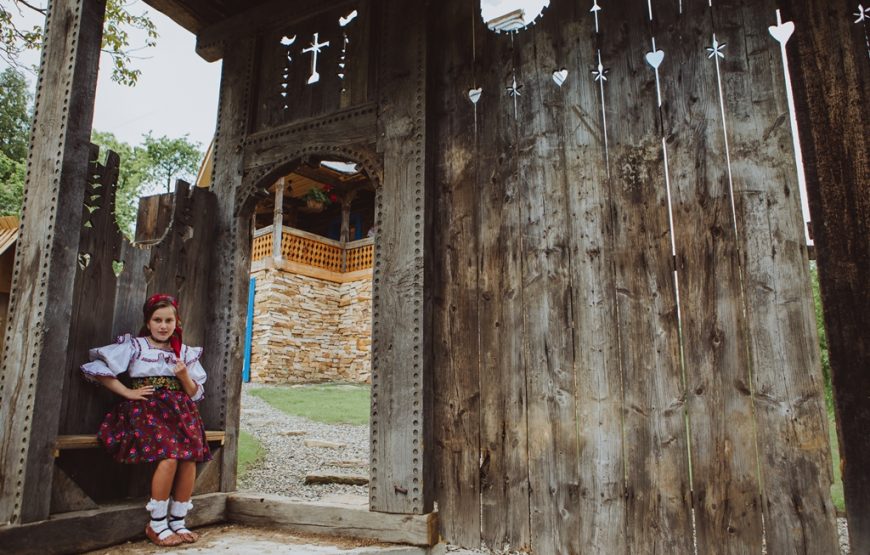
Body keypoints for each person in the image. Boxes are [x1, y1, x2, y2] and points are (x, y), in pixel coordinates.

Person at [81, 293, 210, 547]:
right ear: (148, 322)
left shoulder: (184, 352)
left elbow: (195, 393)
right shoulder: (136, 346)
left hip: (181, 412)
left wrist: (184, 376)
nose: (163, 326)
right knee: (170, 456)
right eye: (157, 320)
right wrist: (128, 392)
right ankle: (157, 523)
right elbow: (97, 368)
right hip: (147, 410)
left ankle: (178, 520)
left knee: (189, 459)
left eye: (168, 320)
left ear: (176, 322)